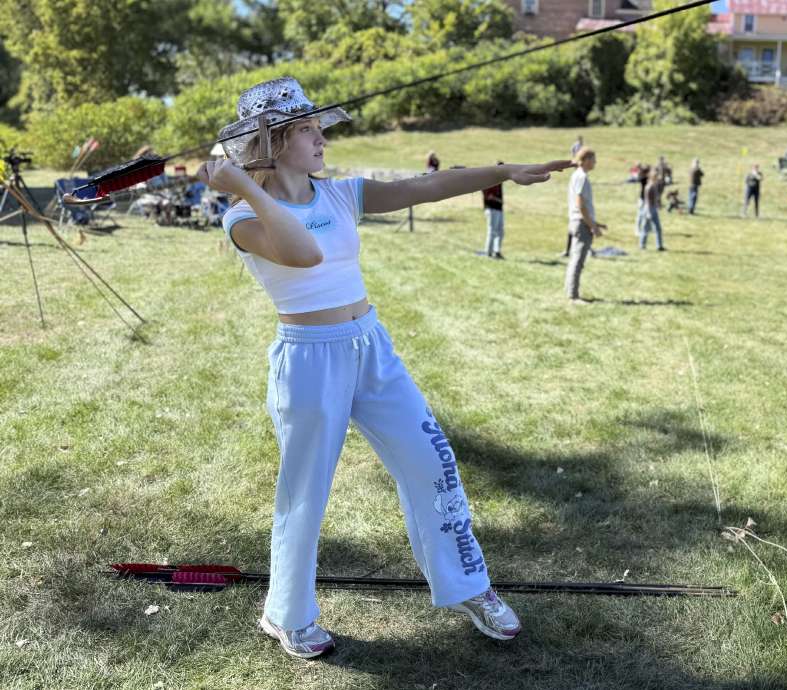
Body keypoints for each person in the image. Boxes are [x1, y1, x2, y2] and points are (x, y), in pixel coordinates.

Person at [206, 77, 571, 660]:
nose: (322, 136)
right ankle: (287, 615)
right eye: (306, 128)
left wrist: (505, 170)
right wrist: (247, 186)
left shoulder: (341, 193)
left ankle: (468, 587)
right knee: (305, 493)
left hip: (370, 345)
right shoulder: (242, 218)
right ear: (272, 142)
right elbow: (304, 253)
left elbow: (428, 186)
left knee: (433, 461)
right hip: (308, 357)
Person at [565, 147, 606, 303]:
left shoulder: (577, 175)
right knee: (578, 260)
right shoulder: (581, 177)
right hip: (581, 223)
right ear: (587, 160)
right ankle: (573, 296)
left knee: (575, 259)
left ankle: (570, 292)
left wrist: (597, 223)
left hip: (579, 222)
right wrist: (593, 227)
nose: (595, 162)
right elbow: (581, 205)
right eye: (594, 159)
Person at [482, 161, 505, 259]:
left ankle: (497, 251)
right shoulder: (490, 180)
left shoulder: (500, 181)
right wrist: (498, 199)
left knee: (500, 231)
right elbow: (488, 195)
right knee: (492, 231)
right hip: (491, 208)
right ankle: (488, 252)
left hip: (499, 208)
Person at [640, 167, 665, 251]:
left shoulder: (654, 186)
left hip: (653, 208)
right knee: (645, 228)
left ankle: (659, 246)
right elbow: (647, 200)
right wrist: (649, 212)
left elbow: (656, 197)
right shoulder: (649, 187)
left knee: (657, 228)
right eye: (656, 176)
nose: (658, 178)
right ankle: (642, 245)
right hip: (649, 209)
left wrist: (658, 204)